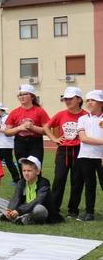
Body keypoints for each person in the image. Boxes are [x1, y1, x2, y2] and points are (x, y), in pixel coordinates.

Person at [44, 87, 86, 218]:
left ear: (79, 99)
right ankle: (54, 208)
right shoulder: (61, 114)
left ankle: (73, 210)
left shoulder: (85, 115)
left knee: (77, 181)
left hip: (80, 150)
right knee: (59, 179)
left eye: (70, 98)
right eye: (65, 99)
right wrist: (54, 138)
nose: (67, 101)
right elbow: (46, 126)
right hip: (63, 150)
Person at [0, 156, 57, 225]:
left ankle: (18, 218)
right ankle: (16, 218)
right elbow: (16, 198)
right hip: (23, 209)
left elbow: (37, 201)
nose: (26, 173)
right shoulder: (21, 182)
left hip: (34, 209)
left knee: (39, 209)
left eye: (29, 171)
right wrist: (10, 210)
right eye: (24, 171)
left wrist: (19, 211)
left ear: (37, 171)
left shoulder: (44, 183)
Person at [4, 84, 50, 165]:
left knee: (35, 168)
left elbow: (47, 131)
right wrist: (19, 128)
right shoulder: (14, 112)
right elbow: (7, 132)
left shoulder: (40, 111)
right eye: (20, 95)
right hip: (20, 142)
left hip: (35, 143)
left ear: (32, 97)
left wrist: (33, 127)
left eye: (25, 94)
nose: (22, 97)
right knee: (22, 168)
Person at [76, 90, 103, 221]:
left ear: (101, 103)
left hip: (101, 157)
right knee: (89, 184)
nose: (89, 103)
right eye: (88, 100)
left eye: (93, 100)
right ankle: (89, 212)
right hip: (85, 156)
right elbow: (83, 138)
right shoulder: (82, 119)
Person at [0, 102, 20, 184]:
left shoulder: (7, 117)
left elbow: (7, 130)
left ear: (0, 110)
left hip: (6, 144)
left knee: (9, 162)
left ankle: (17, 179)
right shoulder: (0, 118)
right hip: (0, 144)